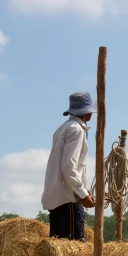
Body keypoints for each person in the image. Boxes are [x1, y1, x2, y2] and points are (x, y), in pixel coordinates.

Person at [41, 91, 96, 240]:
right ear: (88, 112)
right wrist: (83, 194)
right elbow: (68, 166)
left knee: (60, 254)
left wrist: (83, 191)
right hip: (68, 199)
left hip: (55, 198)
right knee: (75, 252)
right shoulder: (76, 130)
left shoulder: (62, 128)